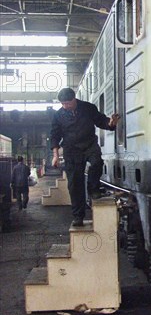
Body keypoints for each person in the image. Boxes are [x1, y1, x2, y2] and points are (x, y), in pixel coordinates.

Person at [50, 87, 120, 227]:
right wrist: (55, 156)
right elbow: (54, 136)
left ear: (74, 99)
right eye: (63, 104)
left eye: (68, 103)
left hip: (89, 145)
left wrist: (111, 123)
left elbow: (101, 120)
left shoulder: (88, 108)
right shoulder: (58, 116)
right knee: (75, 185)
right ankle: (78, 216)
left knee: (97, 163)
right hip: (71, 150)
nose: (65, 106)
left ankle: (93, 189)